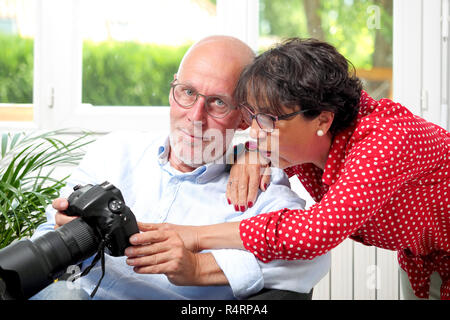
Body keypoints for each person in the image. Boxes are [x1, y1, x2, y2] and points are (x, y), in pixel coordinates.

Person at [30, 36, 330, 300]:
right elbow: (47, 233)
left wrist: (198, 267)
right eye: (187, 92)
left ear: (244, 117)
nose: (195, 117)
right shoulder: (114, 152)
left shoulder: (259, 187)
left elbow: (310, 259)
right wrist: (65, 228)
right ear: (173, 87)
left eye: (217, 103)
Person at [159, 38, 450, 300]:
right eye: (253, 116)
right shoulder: (309, 143)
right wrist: (249, 153)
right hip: (424, 257)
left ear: (322, 121)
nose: (256, 132)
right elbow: (225, 150)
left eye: (269, 120)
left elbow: (313, 233)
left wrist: (195, 236)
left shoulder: (385, 142)